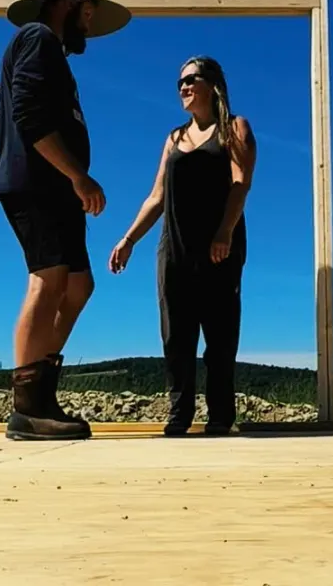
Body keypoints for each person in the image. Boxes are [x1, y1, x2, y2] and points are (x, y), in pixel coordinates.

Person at [0, 0, 131, 441]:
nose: (89, 21)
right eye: (86, 10)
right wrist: (77, 175)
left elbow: (12, 116)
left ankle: (43, 390)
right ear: (64, 5)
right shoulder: (36, 38)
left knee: (78, 284)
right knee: (49, 278)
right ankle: (28, 409)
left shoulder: (52, 53)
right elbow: (25, 114)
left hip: (56, 189)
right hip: (39, 185)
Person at [109, 56, 256, 436]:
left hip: (219, 247)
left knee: (220, 335)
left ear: (213, 85)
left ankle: (220, 415)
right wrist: (128, 240)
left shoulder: (235, 128)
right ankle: (179, 414)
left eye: (191, 79)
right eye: (179, 82)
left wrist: (224, 231)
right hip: (174, 250)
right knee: (177, 335)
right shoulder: (174, 139)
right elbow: (157, 196)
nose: (183, 87)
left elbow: (240, 184)